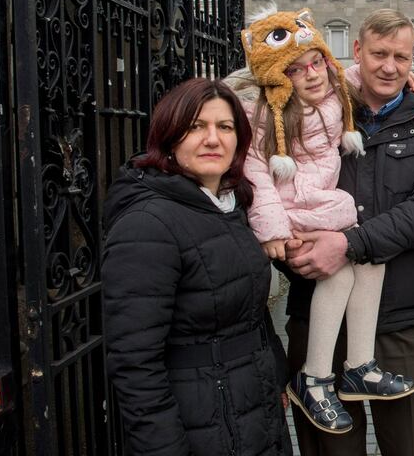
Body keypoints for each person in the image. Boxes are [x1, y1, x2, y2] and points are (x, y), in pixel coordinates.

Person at [225, 7, 414, 436]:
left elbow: (355, 73)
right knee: (341, 274)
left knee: (372, 257)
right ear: (276, 76)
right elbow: (255, 172)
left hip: (325, 205)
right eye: (296, 69)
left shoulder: (332, 90)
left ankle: (359, 366)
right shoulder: (261, 114)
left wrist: (404, 78)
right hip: (293, 213)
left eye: (315, 63)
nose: (311, 75)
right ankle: (313, 377)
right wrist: (273, 229)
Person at [282, 9, 414, 456]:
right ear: (357, 51)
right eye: (379, 54)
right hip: (321, 316)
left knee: (411, 447)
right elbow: (274, 187)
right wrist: (289, 248)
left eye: (401, 56)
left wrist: (349, 243)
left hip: (403, 320)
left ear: (413, 58)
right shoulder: (310, 108)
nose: (390, 66)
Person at [102, 78, 293, 455]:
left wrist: (275, 376)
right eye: (195, 126)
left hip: (253, 412)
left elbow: (252, 312)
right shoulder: (147, 224)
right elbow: (135, 363)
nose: (213, 139)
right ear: (170, 136)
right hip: (200, 423)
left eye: (225, 127)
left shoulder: (229, 205)